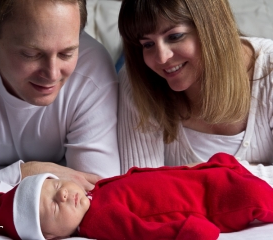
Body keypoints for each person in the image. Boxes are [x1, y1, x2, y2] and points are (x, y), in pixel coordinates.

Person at [0, 0, 120, 214]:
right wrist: (27, 173)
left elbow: (93, 199)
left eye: (66, 53)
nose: (52, 74)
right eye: (31, 54)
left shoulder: (92, 71)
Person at [117, 0, 273, 174]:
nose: (161, 58)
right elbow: (139, 187)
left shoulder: (270, 67)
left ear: (212, 26)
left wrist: (208, 173)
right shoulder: (138, 80)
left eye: (174, 36)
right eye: (148, 44)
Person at [0, 153, 273, 240]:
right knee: (259, 198)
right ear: (51, 237)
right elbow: (142, 232)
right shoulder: (99, 222)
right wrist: (190, 232)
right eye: (54, 206)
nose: (64, 195)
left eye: (55, 187)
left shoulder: (93, 194)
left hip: (200, 177)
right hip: (212, 200)